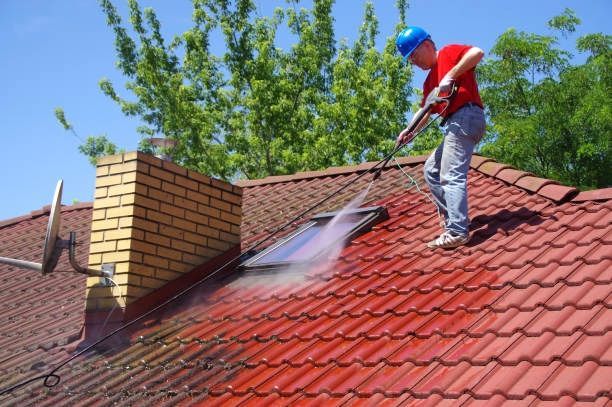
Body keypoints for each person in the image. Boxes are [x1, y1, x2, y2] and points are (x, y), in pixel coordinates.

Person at [395, 26, 485, 249]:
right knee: (431, 170)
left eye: (413, 56)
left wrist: (451, 75)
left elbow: (477, 52)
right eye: (410, 60)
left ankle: (457, 230)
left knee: (450, 173)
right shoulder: (428, 83)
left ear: (426, 45)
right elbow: (425, 110)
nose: (413, 63)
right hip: (456, 122)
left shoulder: (448, 53)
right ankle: (452, 223)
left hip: (466, 116)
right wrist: (410, 130)